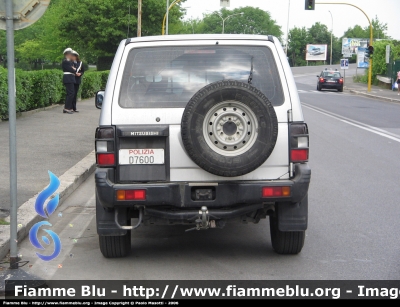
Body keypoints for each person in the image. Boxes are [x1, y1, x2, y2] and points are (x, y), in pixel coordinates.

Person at [62, 48, 76, 114]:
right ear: (67, 54)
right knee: (70, 93)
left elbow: (74, 69)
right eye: (70, 54)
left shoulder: (70, 62)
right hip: (68, 78)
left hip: (70, 78)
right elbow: (72, 70)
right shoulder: (65, 61)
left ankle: (69, 107)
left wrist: (73, 69)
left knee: (71, 93)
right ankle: (66, 108)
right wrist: (73, 69)